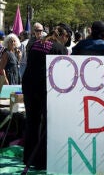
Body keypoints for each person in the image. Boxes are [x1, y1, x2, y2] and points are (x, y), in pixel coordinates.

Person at [22, 24, 71, 169]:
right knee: (47, 123)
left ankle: (28, 157)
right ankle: (41, 160)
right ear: (63, 36)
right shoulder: (60, 49)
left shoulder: (35, 43)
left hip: (29, 85)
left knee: (32, 121)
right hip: (44, 87)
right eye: (67, 38)